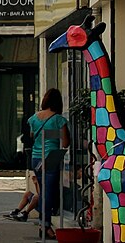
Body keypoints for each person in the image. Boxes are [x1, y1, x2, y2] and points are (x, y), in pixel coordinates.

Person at [28, 88, 71, 240]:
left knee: (42, 191)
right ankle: (44, 225)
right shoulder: (59, 119)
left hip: (35, 158)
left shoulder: (33, 118)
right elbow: (65, 142)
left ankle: (43, 224)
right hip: (51, 158)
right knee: (49, 193)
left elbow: (33, 136)